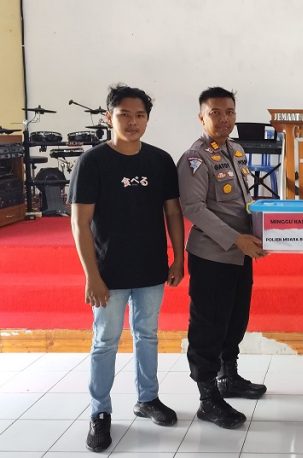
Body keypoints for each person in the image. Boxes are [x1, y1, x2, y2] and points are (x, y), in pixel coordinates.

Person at [69, 84, 184, 453]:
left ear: (147, 119)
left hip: (151, 268)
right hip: (108, 272)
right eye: (124, 115)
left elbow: (172, 212)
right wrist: (92, 275)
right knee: (105, 341)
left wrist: (178, 257)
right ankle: (99, 411)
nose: (132, 122)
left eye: (139, 115)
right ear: (109, 117)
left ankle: (147, 398)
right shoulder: (93, 162)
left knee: (147, 335)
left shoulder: (160, 160)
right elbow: (79, 223)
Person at [177, 86, 267, 430]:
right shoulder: (194, 158)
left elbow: (244, 201)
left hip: (241, 254)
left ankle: (229, 377)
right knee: (208, 325)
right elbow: (193, 208)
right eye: (215, 113)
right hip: (213, 255)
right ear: (202, 117)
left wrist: (264, 229)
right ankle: (207, 398)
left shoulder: (236, 150)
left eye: (229, 112)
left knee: (235, 320)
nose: (224, 119)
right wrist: (236, 239)